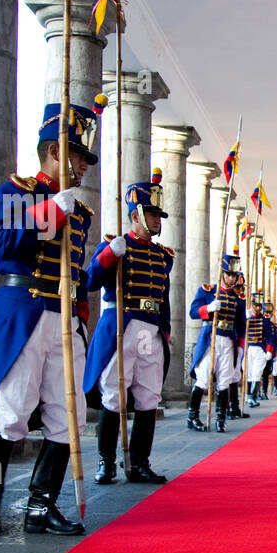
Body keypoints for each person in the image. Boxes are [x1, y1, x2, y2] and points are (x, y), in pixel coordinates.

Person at [0, 98, 105, 536]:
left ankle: (41, 507)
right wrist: (49, 212)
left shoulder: (79, 211)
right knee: (11, 414)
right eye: (78, 156)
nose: (83, 167)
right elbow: (5, 245)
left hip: (62, 318)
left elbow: (77, 272)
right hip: (24, 312)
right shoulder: (15, 192)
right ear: (56, 150)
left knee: (68, 414)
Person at [83, 171, 174, 484]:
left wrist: (166, 332)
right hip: (122, 327)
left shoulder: (163, 257)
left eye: (158, 215)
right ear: (136, 215)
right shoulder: (115, 247)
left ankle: (139, 463)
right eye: (152, 213)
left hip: (150, 329)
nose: (158, 220)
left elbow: (165, 297)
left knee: (149, 396)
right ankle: (106, 462)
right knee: (113, 395)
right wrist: (110, 255)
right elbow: (90, 282)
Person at [188, 253, 248, 430]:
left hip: (228, 340)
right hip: (210, 337)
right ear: (222, 273)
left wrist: (240, 347)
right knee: (203, 377)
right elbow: (193, 312)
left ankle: (221, 418)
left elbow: (240, 324)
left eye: (234, 275)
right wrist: (208, 308)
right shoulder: (208, 291)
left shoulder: (238, 299)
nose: (231, 278)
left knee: (225, 379)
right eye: (228, 274)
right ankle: (192, 417)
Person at [243, 291, 275, 407]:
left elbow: (270, 337)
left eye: (258, 306)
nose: (257, 308)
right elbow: (241, 331)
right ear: (252, 305)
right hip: (248, 349)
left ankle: (253, 396)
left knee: (257, 373)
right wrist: (244, 319)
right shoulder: (247, 318)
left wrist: (269, 351)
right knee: (249, 373)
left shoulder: (265, 320)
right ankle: (247, 395)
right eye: (255, 305)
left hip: (260, 349)